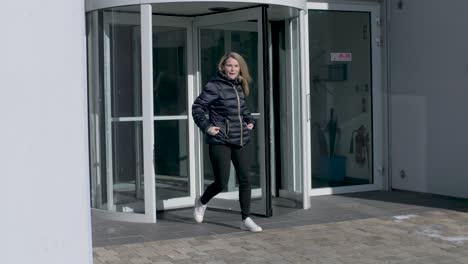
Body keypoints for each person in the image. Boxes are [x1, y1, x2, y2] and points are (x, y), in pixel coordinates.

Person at [191, 52, 262, 232]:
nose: (232, 69)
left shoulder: (240, 84)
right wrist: (207, 127)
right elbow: (197, 107)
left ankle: (245, 219)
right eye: (229, 65)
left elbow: (243, 109)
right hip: (220, 139)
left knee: (245, 179)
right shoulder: (215, 85)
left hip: (241, 139)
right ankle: (202, 201)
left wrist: (249, 120)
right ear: (223, 66)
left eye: (236, 66)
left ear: (240, 68)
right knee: (221, 182)